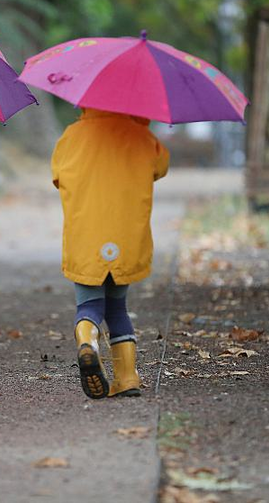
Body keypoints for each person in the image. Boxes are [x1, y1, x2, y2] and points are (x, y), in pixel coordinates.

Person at [51, 108, 169, 399]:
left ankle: (87, 339)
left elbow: (57, 175)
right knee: (118, 306)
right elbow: (161, 167)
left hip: (86, 236)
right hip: (126, 235)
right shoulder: (143, 137)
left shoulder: (72, 136)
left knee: (89, 305)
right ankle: (127, 378)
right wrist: (141, 122)